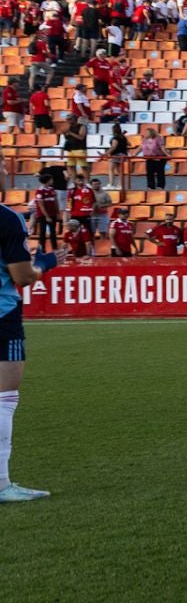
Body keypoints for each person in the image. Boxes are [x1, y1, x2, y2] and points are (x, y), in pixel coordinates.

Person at [0, 201, 47, 502]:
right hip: (1, 316)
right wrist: (45, 264)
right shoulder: (7, 218)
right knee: (4, 398)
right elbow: (23, 276)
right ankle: (1, 484)